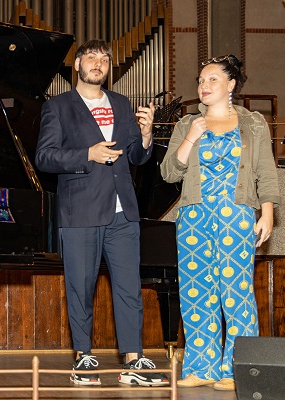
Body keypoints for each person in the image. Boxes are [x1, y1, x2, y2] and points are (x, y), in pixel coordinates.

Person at [35, 39, 169, 387]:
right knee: (81, 288)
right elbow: (45, 157)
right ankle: (83, 356)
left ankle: (134, 359)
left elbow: (137, 156)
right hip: (80, 211)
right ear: (78, 64)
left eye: (105, 59)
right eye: (91, 57)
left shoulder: (122, 104)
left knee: (129, 288)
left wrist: (146, 135)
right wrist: (87, 154)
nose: (99, 63)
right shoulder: (57, 107)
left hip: (124, 211)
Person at [160, 54, 280, 391]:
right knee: (196, 290)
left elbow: (265, 171)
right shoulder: (187, 124)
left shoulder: (253, 123)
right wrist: (191, 137)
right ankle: (202, 367)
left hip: (236, 215)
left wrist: (267, 212)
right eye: (201, 80)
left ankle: (237, 369)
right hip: (194, 216)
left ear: (231, 84)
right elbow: (169, 173)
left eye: (212, 79)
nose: (204, 85)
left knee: (236, 292)